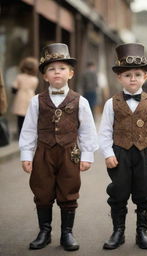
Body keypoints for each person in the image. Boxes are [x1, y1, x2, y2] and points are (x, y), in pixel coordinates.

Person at [19, 43, 98, 251]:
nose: (57, 72)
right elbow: (28, 130)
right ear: (45, 76)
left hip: (69, 153)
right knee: (42, 190)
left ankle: (67, 233)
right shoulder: (37, 101)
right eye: (51, 69)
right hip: (43, 152)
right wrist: (26, 154)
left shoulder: (80, 101)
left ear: (70, 73)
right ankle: (44, 232)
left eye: (62, 68)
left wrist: (87, 154)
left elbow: (87, 129)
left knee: (69, 190)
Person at [98, 43, 147, 250]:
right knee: (118, 192)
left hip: (145, 153)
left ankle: (142, 231)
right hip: (120, 153)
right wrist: (108, 153)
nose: (133, 79)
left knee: (145, 193)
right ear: (119, 78)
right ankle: (118, 232)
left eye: (137, 74)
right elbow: (105, 131)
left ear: (145, 77)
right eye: (127, 75)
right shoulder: (112, 103)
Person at [12, 57, 39, 136]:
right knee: (29, 117)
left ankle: (20, 134)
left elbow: (14, 88)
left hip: (20, 98)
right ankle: (28, 134)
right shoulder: (35, 79)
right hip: (30, 98)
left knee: (20, 119)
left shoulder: (19, 77)